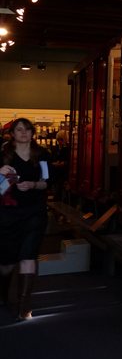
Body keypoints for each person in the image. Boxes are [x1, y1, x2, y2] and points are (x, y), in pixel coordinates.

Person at [0, 118, 50, 321]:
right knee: (7, 264)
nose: (24, 133)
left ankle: (24, 307)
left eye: (27, 130)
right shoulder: (3, 155)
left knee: (28, 256)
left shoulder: (42, 155)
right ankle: (3, 292)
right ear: (12, 133)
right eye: (19, 130)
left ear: (32, 133)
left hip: (34, 212)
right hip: (7, 214)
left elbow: (47, 182)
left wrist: (33, 185)